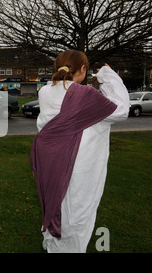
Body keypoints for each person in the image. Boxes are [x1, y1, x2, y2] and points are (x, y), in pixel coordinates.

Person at [30, 49, 130, 253]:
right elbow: (121, 110)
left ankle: (53, 243)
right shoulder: (84, 95)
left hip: (49, 159)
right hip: (76, 162)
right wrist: (108, 76)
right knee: (76, 209)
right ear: (83, 69)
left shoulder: (45, 91)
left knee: (54, 202)